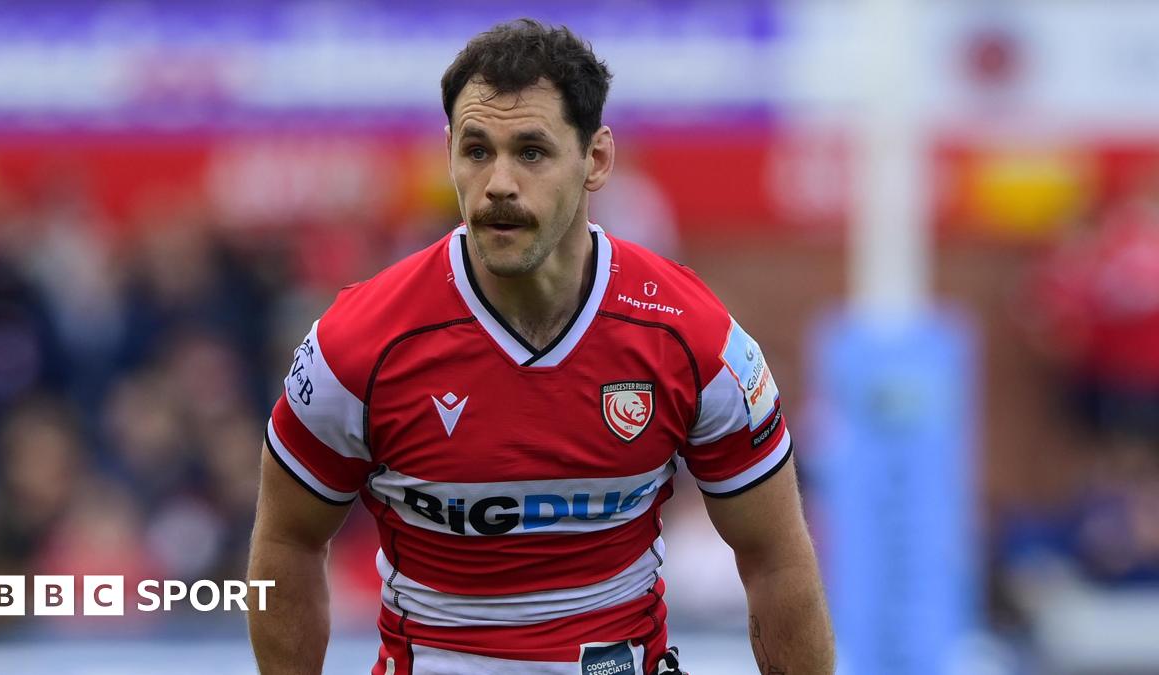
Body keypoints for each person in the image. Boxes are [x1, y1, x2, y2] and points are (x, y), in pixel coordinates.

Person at [247, 19, 834, 675]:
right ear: (449, 156)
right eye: (476, 150)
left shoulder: (692, 335)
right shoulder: (356, 344)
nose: (499, 182)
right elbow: (287, 540)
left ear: (597, 160)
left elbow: (777, 556)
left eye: (530, 151)